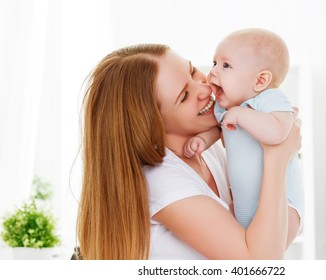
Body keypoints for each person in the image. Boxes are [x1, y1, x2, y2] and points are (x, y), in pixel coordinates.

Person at [76, 43, 302, 260]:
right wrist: (277, 154)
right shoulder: (161, 181)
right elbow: (261, 261)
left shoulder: (206, 149)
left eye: (193, 72)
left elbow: (267, 236)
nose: (204, 89)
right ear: (151, 123)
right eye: (184, 96)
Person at [183, 28, 304, 233]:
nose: (214, 71)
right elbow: (220, 130)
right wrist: (203, 141)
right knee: (226, 238)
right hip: (242, 206)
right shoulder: (225, 108)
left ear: (260, 81)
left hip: (284, 204)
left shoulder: (269, 99)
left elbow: (279, 132)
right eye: (214, 63)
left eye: (226, 65)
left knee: (266, 250)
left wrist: (241, 115)